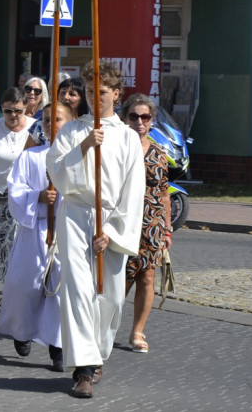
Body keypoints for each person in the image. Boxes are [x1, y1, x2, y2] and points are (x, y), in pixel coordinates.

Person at [46, 60, 144, 399]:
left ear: (116, 94)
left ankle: (99, 353)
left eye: (100, 92)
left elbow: (134, 191)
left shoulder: (129, 138)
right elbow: (57, 172)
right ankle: (83, 369)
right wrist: (86, 145)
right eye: (89, 91)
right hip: (76, 215)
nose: (93, 97)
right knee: (77, 292)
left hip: (111, 222)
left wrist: (113, 232)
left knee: (112, 296)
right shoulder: (72, 131)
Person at [0, 102, 74, 373]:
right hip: (35, 231)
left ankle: (58, 347)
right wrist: (38, 196)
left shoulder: (76, 158)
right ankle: (22, 330)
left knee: (59, 290)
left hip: (65, 233)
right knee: (26, 286)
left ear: (71, 122)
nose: (52, 125)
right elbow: (16, 189)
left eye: (59, 119)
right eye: (47, 120)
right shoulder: (31, 157)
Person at [121, 93, 172, 356]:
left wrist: (166, 228)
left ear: (151, 121)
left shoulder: (159, 153)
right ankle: (105, 324)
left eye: (145, 117)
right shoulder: (116, 147)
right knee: (119, 276)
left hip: (150, 223)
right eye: (134, 116)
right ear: (125, 118)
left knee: (147, 275)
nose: (140, 121)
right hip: (122, 220)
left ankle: (137, 331)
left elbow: (164, 193)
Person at [0, 87, 31, 281]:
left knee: (20, 244)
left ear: (26, 107)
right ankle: (9, 287)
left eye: (18, 110)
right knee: (2, 247)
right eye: (8, 110)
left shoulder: (35, 128)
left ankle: (12, 288)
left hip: (26, 196)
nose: (13, 115)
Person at [24, 76, 50, 146]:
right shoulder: (16, 112)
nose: (32, 93)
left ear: (42, 95)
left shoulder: (44, 116)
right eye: (28, 89)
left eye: (37, 91)